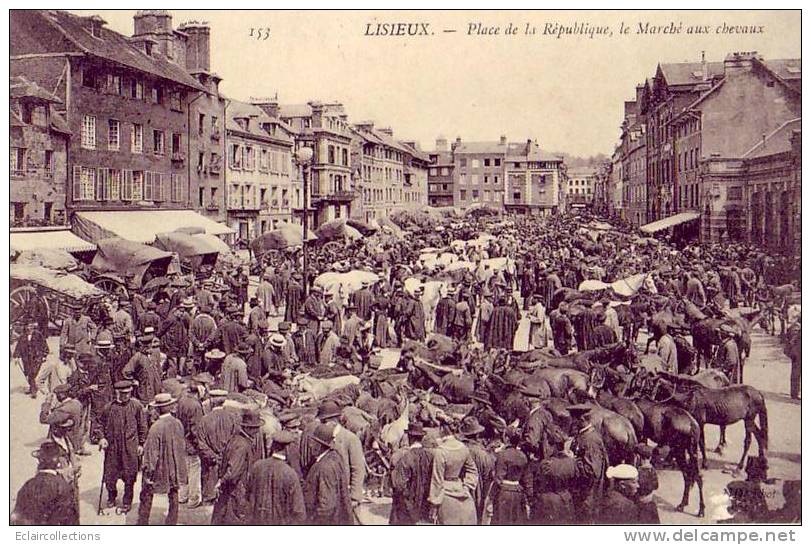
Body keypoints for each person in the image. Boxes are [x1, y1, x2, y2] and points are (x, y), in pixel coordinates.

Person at [138, 393, 188, 525]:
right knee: (173, 493)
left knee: (147, 493)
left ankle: (142, 522)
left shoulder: (156, 427)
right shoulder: (178, 423)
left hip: (160, 468)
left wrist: (148, 471)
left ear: (157, 409)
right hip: (175, 466)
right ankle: (171, 521)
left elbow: (151, 453)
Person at [99, 380, 147, 513]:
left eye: (128, 393)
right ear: (117, 393)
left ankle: (127, 501)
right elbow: (99, 425)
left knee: (130, 475)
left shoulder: (136, 406)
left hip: (130, 447)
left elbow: (142, 426)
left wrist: (141, 444)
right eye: (122, 393)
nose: (125, 396)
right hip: (113, 447)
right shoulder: (109, 407)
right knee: (110, 475)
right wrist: (102, 438)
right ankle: (111, 496)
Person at [211, 410, 264, 524]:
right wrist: (222, 480)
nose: (258, 431)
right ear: (249, 428)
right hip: (237, 489)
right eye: (256, 428)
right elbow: (233, 471)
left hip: (233, 489)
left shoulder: (237, 439)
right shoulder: (242, 445)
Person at [245, 430, 306, 525]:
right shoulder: (290, 473)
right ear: (288, 448)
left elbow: (248, 495)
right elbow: (298, 510)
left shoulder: (257, 466)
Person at [11, 442, 79, 525]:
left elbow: (16, 518)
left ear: (39, 463)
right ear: (58, 465)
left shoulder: (28, 485)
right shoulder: (64, 487)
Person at [315, 400, 367, 504]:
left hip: (345, 494)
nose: (321, 425)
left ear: (333, 421)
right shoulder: (321, 436)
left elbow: (358, 469)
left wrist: (354, 497)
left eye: (323, 421)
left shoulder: (350, 439)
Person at [302, 422, 354, 525]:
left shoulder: (324, 467)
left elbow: (326, 505)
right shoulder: (334, 457)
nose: (310, 446)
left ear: (320, 445)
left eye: (313, 442)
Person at [427, 423, 479, 525]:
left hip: (445, 493)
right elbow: (473, 470)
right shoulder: (463, 448)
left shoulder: (440, 451)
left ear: (442, 429)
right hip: (461, 490)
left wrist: (434, 504)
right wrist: (467, 485)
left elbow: (437, 479)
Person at [192, 389, 238, 505]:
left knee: (209, 496)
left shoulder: (204, 420)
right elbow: (236, 440)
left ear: (212, 401)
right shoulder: (233, 418)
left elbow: (200, 443)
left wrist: (213, 457)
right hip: (227, 462)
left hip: (210, 464)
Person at [388, 423, 436, 524]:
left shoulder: (406, 457)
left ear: (409, 437)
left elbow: (398, 484)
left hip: (408, 507)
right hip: (426, 504)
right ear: (422, 438)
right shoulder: (431, 456)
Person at [568, 404, 608, 523]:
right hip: (584, 495)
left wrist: (573, 461)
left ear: (581, 420)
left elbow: (592, 471)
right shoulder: (584, 434)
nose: (572, 422)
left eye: (574, 420)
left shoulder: (590, 440)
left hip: (587, 496)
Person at [176, 379, 205, 508]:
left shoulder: (181, 401)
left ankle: (182, 496)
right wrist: (200, 445)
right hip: (191, 443)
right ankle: (194, 499)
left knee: (184, 469)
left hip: (181, 440)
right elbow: (195, 429)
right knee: (194, 469)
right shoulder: (195, 406)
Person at [14, 320, 49, 398]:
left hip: (37, 357)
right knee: (28, 373)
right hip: (26, 358)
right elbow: (18, 347)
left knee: (32, 373)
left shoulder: (38, 335)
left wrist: (44, 355)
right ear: (25, 327)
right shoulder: (22, 336)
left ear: (33, 326)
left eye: (31, 326)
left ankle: (33, 391)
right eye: (28, 326)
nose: (29, 328)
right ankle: (32, 388)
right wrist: (16, 357)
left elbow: (44, 345)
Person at [635, 444, 660, 524]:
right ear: (650, 458)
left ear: (638, 457)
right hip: (650, 502)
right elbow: (656, 486)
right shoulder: (652, 471)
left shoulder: (637, 472)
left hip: (639, 503)